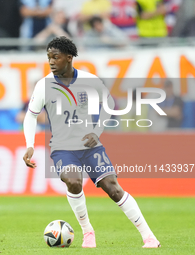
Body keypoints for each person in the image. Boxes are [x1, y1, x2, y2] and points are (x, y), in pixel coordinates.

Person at [22, 36, 160, 248]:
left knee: (113, 189)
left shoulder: (89, 80)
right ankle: (88, 232)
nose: (50, 62)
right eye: (48, 57)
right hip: (63, 148)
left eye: (55, 57)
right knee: (74, 181)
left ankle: (149, 237)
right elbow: (31, 116)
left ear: (69, 58)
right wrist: (29, 144)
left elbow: (109, 103)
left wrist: (97, 131)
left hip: (90, 147)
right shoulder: (44, 86)